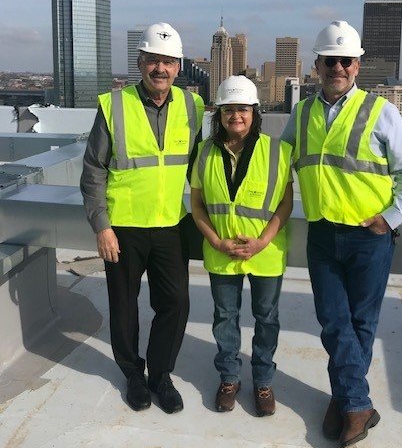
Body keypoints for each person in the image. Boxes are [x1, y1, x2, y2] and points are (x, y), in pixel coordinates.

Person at [281, 20, 402, 448]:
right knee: (333, 321)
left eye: (346, 60)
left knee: (360, 322)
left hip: (369, 236)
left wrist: (391, 217)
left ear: (357, 65)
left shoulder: (381, 112)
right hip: (323, 233)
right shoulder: (303, 112)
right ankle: (355, 402)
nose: (337, 67)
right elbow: (279, 161)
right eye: (330, 61)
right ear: (317, 65)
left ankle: (348, 400)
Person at [80, 22, 204, 414]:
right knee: (124, 305)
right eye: (153, 60)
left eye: (168, 61)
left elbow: (202, 168)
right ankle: (133, 374)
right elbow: (93, 170)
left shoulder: (192, 106)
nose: (160, 68)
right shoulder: (114, 105)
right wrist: (102, 225)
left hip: (170, 225)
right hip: (124, 228)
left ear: (178, 65)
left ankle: (160, 375)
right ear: (140, 62)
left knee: (177, 303)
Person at [190, 76, 293, 416]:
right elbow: (198, 204)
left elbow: (285, 204)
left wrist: (262, 241)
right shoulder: (205, 152)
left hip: (265, 254)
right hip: (221, 252)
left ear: (254, 112)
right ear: (219, 113)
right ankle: (230, 378)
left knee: (266, 318)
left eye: (243, 109)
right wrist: (216, 240)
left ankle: (263, 381)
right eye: (229, 109)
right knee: (225, 317)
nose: (236, 116)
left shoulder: (278, 151)